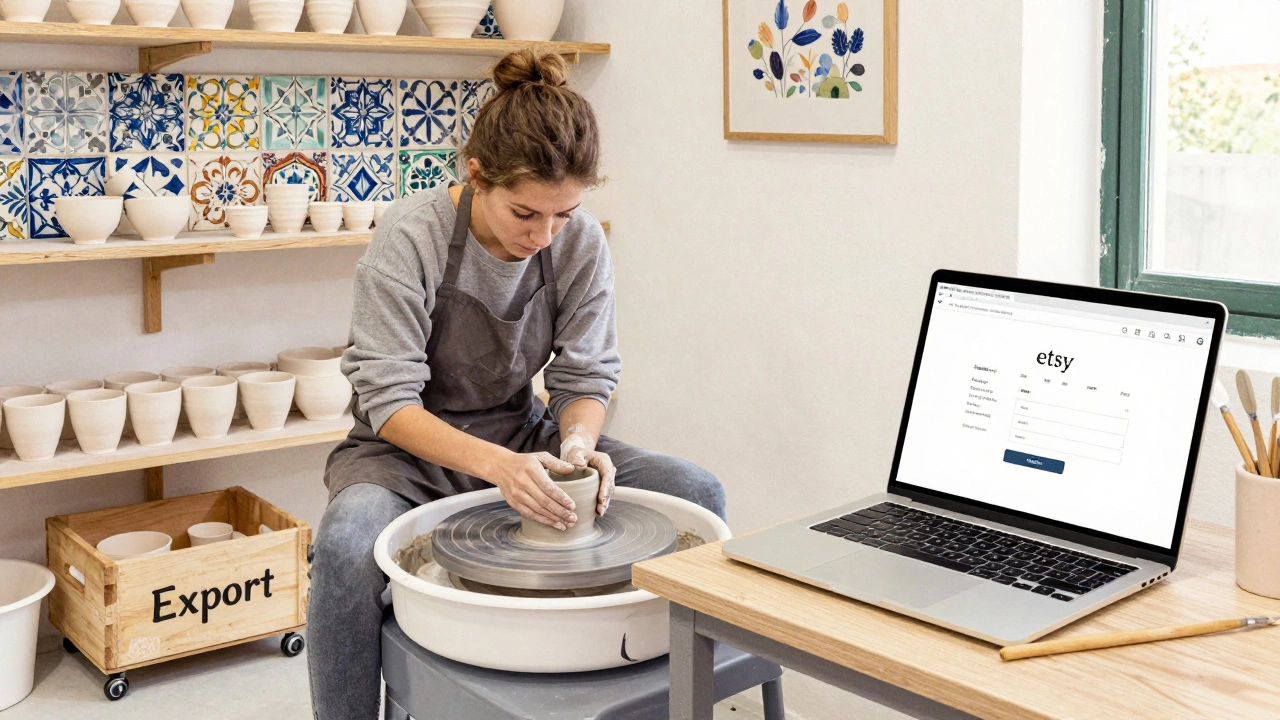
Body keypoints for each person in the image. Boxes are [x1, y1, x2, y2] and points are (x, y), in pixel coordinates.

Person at [307, 49, 726, 719]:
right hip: (399, 457)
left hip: (521, 435)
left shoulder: (578, 240)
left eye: (563, 214)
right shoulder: (410, 237)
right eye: (526, 214)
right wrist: (500, 468)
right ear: (476, 176)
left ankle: (668, 700)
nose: (545, 234)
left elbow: (585, 372)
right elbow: (387, 402)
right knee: (344, 545)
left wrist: (579, 446)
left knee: (698, 491)